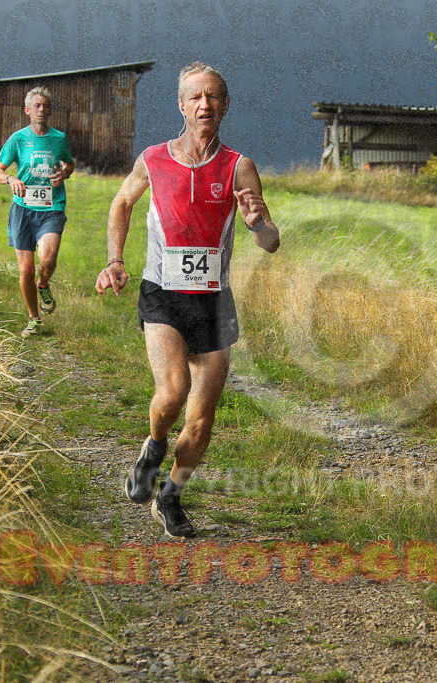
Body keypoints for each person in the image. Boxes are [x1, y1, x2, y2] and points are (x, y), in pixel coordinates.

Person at [95, 63, 280, 538]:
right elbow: (121, 203)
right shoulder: (153, 158)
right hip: (163, 294)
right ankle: (153, 448)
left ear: (225, 105)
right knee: (173, 392)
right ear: (181, 105)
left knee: (200, 422)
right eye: (195, 97)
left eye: (213, 96)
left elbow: (270, 241)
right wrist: (115, 259)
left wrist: (259, 224)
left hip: (214, 302)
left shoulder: (239, 166)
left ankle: (170, 496)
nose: (204, 105)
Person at [0, 86, 75, 338]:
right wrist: (10, 179)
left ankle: (43, 284)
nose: (41, 109)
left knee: (47, 259)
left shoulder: (59, 138)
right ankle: (34, 318)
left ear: (50, 110)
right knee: (26, 269)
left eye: (45, 106)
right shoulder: (17, 139)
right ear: (27, 110)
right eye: (37, 106)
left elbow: (69, 163)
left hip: (51, 208)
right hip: (23, 210)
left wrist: (64, 173)